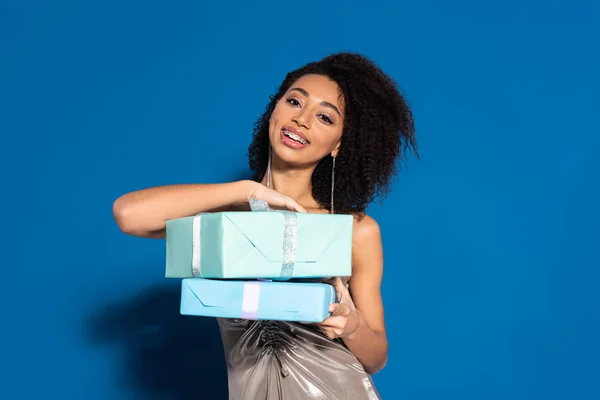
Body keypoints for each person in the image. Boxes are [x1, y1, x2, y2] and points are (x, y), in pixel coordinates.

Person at [113, 52, 417, 399]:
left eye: (324, 117)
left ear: (338, 145)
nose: (302, 119)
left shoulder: (355, 230)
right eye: (294, 101)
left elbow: (377, 357)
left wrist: (352, 323)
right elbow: (128, 214)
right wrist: (243, 191)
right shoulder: (224, 217)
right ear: (274, 110)